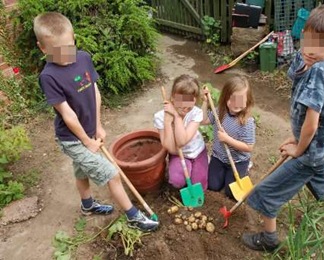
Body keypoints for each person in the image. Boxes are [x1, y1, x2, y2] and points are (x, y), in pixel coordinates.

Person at [242, 4, 324, 252]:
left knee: (267, 192)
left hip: (310, 151)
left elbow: (312, 122)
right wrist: (297, 136)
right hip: (321, 149)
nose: (310, 50)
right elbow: (296, 76)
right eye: (307, 41)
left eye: (319, 46)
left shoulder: (319, 72)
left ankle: (269, 239)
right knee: (323, 177)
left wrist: (299, 147)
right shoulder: (312, 59)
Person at [33, 12, 159, 232]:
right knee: (111, 173)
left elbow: (94, 92)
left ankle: (87, 205)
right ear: (43, 48)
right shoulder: (49, 76)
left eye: (69, 46)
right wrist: (86, 140)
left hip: (89, 132)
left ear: (73, 38)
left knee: (81, 171)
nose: (66, 56)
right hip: (72, 138)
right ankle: (133, 216)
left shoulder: (83, 58)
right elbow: (67, 114)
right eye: (57, 52)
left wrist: (98, 125)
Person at [201, 76, 255, 199]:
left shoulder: (247, 121)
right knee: (212, 186)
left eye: (240, 100)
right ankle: (220, 171)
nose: (236, 104)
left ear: (248, 100)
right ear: (225, 97)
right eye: (232, 99)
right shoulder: (219, 111)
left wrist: (227, 139)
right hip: (219, 157)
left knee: (230, 193)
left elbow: (249, 147)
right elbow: (203, 120)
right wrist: (205, 102)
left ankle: (246, 167)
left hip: (238, 161)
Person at [153, 74, 208, 191]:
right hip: (178, 154)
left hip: (197, 152)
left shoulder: (196, 113)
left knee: (200, 186)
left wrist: (177, 118)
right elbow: (171, 148)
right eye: (181, 100)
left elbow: (182, 141)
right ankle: (185, 169)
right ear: (173, 97)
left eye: (189, 102)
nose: (185, 107)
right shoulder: (160, 117)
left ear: (195, 99)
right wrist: (168, 122)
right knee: (176, 181)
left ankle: (203, 162)